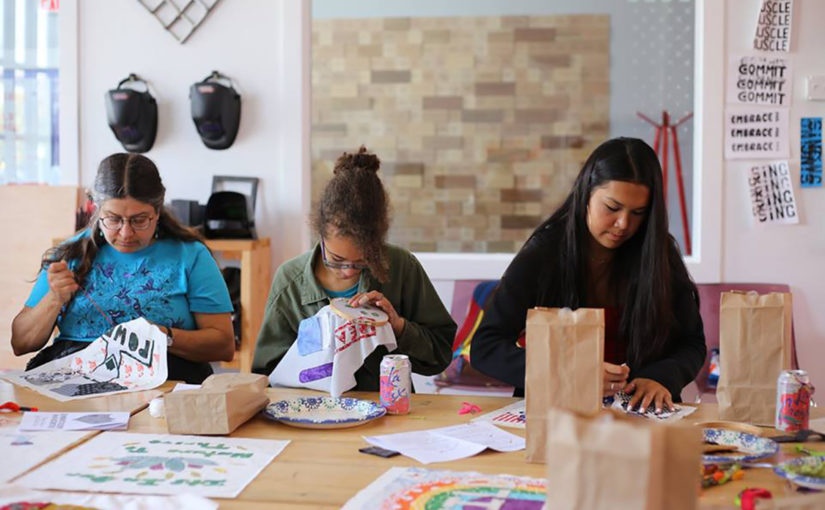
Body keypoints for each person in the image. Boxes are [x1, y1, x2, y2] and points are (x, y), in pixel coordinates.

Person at [471, 137, 706, 412]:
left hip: (638, 414)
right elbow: (486, 347)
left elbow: (692, 343)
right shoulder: (545, 253)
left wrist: (660, 377)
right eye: (612, 208)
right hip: (558, 413)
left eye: (638, 213)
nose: (623, 224)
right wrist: (568, 371)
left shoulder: (659, 253)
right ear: (586, 195)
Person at [11, 153, 235, 384]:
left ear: (157, 212)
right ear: (96, 210)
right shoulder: (68, 256)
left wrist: (162, 337)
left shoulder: (190, 255)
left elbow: (223, 346)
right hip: (76, 380)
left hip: (164, 380)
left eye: (139, 220)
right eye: (113, 219)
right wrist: (54, 299)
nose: (126, 233)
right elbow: (20, 343)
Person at [252, 146, 455, 390]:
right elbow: (268, 373)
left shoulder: (401, 267)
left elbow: (440, 355)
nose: (348, 271)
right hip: (312, 415)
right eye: (336, 260)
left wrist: (398, 326)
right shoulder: (290, 282)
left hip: (388, 416)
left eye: (362, 262)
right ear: (320, 234)